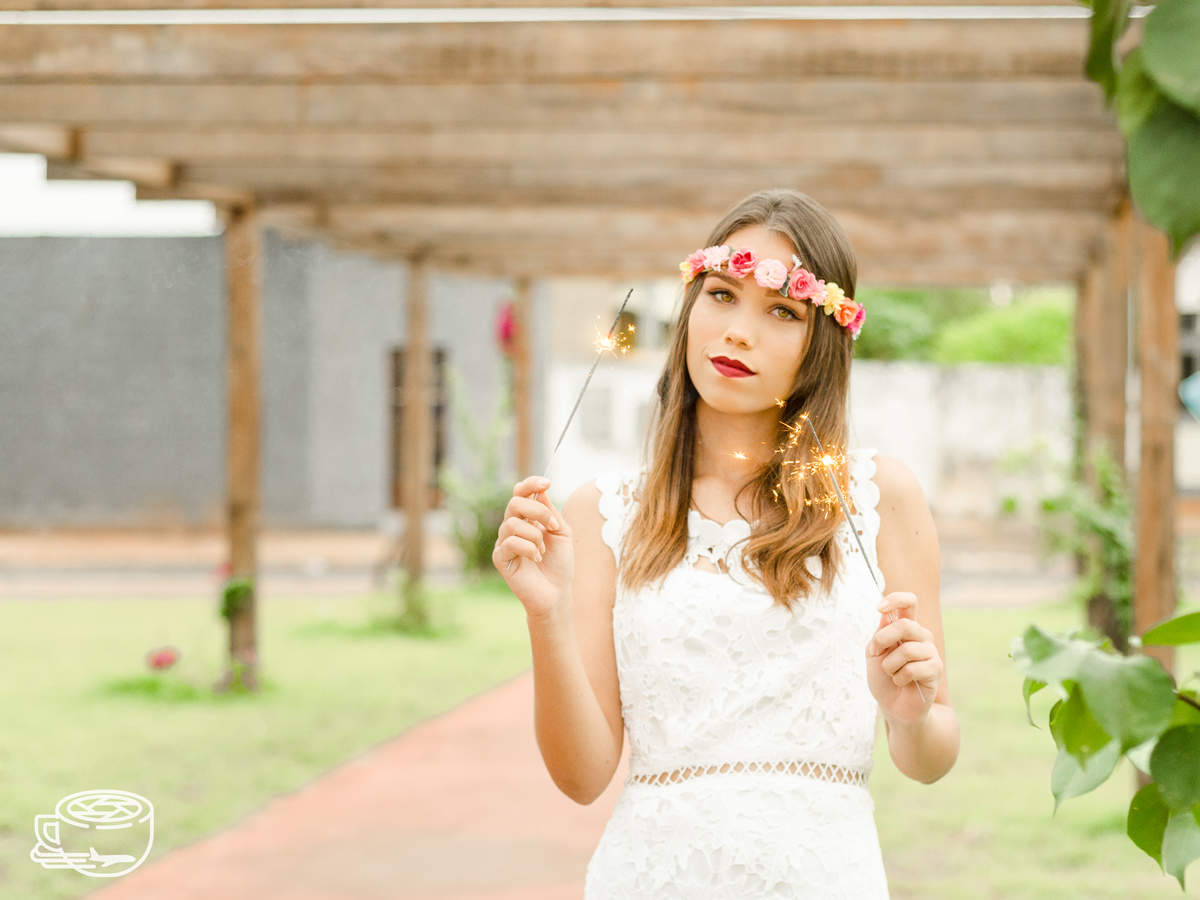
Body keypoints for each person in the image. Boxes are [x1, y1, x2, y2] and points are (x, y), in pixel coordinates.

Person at [492, 188, 959, 898]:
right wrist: (545, 615)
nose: (738, 332)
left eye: (782, 311)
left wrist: (912, 716)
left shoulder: (879, 497)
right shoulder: (602, 512)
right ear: (690, 307)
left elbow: (931, 756)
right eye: (721, 295)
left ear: (822, 343)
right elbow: (582, 777)